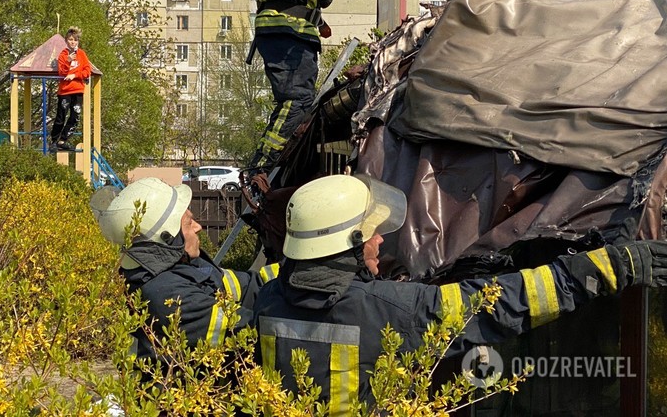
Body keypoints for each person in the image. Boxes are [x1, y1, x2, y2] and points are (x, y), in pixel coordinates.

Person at [253, 174, 667, 414]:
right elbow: (503, 302)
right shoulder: (390, 311)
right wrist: (610, 267)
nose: (379, 239)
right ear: (348, 245)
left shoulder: (267, 298)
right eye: (370, 232)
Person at [90, 177, 279, 370]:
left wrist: (290, 270)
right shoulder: (170, 298)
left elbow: (246, 286)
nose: (198, 227)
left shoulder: (173, 270)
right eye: (189, 223)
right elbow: (257, 333)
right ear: (168, 238)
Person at [247, 0, 345, 177]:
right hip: (282, 32)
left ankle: (279, 171)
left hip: (301, 34)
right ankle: (261, 168)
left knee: (302, 104)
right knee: (297, 101)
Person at [51, 26, 91, 151]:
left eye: (75, 40)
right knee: (61, 116)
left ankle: (63, 140)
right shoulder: (63, 55)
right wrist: (68, 61)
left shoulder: (82, 54)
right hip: (65, 91)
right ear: (66, 40)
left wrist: (75, 75)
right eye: (70, 39)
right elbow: (62, 72)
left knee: (75, 116)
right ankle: (54, 141)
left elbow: (87, 71)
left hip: (78, 90)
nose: (73, 42)